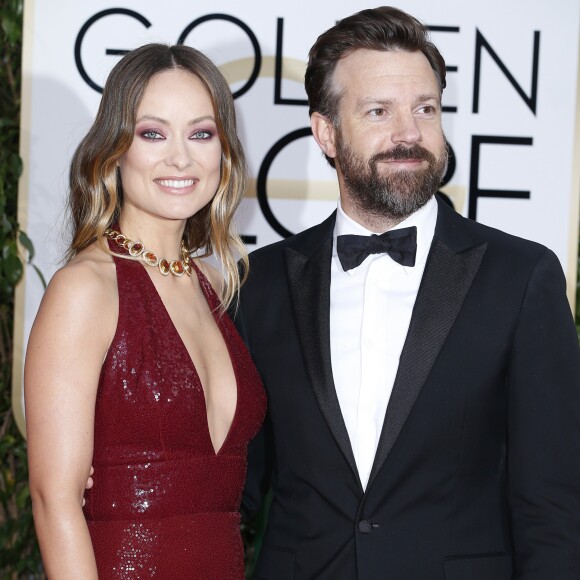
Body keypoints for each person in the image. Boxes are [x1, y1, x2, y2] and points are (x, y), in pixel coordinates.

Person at [236, 6, 580, 579]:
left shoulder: (521, 278)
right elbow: (231, 486)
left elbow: (554, 505)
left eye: (425, 109)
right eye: (379, 111)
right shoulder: (261, 283)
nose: (409, 134)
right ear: (326, 132)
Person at [25, 43, 265, 578]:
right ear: (114, 149)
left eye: (201, 134)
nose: (180, 158)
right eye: (152, 133)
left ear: (223, 151)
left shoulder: (212, 282)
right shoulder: (85, 289)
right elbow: (53, 499)